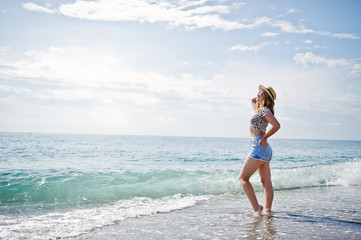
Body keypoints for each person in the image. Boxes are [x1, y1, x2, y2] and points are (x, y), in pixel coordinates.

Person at [239, 85, 280, 216]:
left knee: (243, 178)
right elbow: (252, 100)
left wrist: (265, 137)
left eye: (261, 93)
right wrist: (260, 96)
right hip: (263, 149)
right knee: (265, 182)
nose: (257, 94)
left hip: (259, 145)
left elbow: (277, 125)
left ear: (266, 97)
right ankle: (267, 211)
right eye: (258, 92)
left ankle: (257, 208)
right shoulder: (260, 109)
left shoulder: (265, 110)